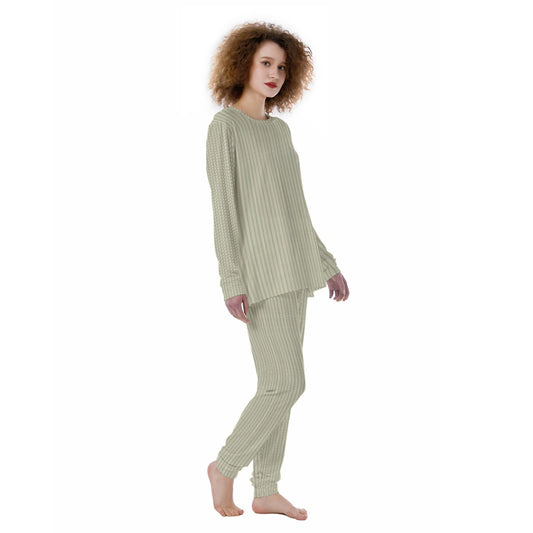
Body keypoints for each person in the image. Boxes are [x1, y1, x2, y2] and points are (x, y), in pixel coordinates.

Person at [205, 21, 349, 520]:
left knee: (279, 385)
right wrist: (232, 279)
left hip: (296, 271)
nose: (275, 74)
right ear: (242, 64)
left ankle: (266, 489)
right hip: (260, 277)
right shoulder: (225, 127)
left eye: (283, 67)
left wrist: (326, 264)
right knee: (286, 384)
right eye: (266, 63)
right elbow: (224, 211)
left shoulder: (280, 130)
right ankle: (225, 466)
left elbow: (295, 208)